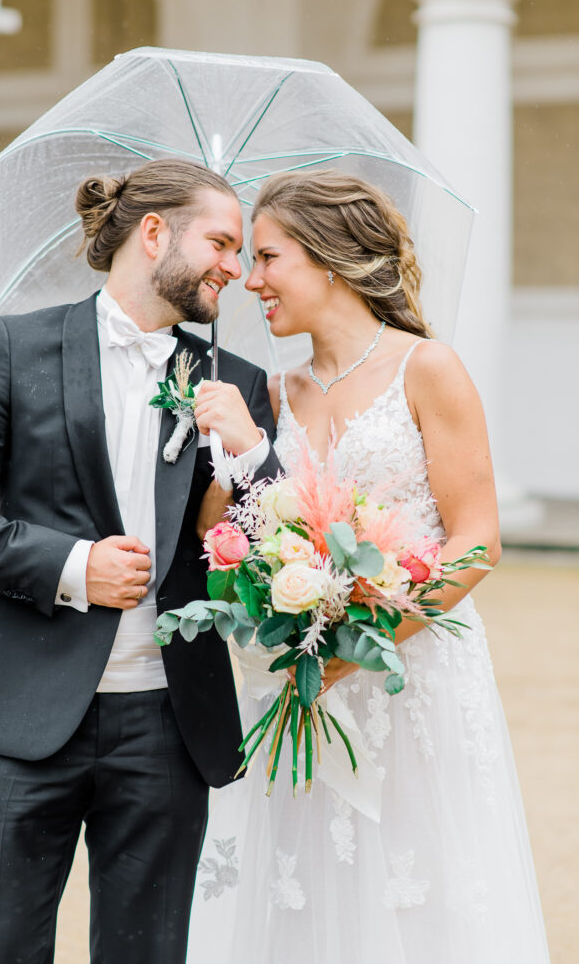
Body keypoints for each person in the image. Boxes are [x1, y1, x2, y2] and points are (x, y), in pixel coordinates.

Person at [0, 158, 281, 964]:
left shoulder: (238, 385)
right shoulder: (16, 347)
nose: (235, 267)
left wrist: (253, 453)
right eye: (221, 242)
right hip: (23, 716)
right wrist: (75, 566)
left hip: (170, 724)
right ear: (154, 234)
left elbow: (276, 552)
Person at [187, 169, 550, 964]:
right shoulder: (267, 394)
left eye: (268, 258)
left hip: (410, 680)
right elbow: (228, 540)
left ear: (329, 259)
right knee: (301, 893)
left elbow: (476, 540)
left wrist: (363, 640)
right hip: (300, 683)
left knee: (420, 895)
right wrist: (233, 453)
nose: (250, 280)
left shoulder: (428, 368)